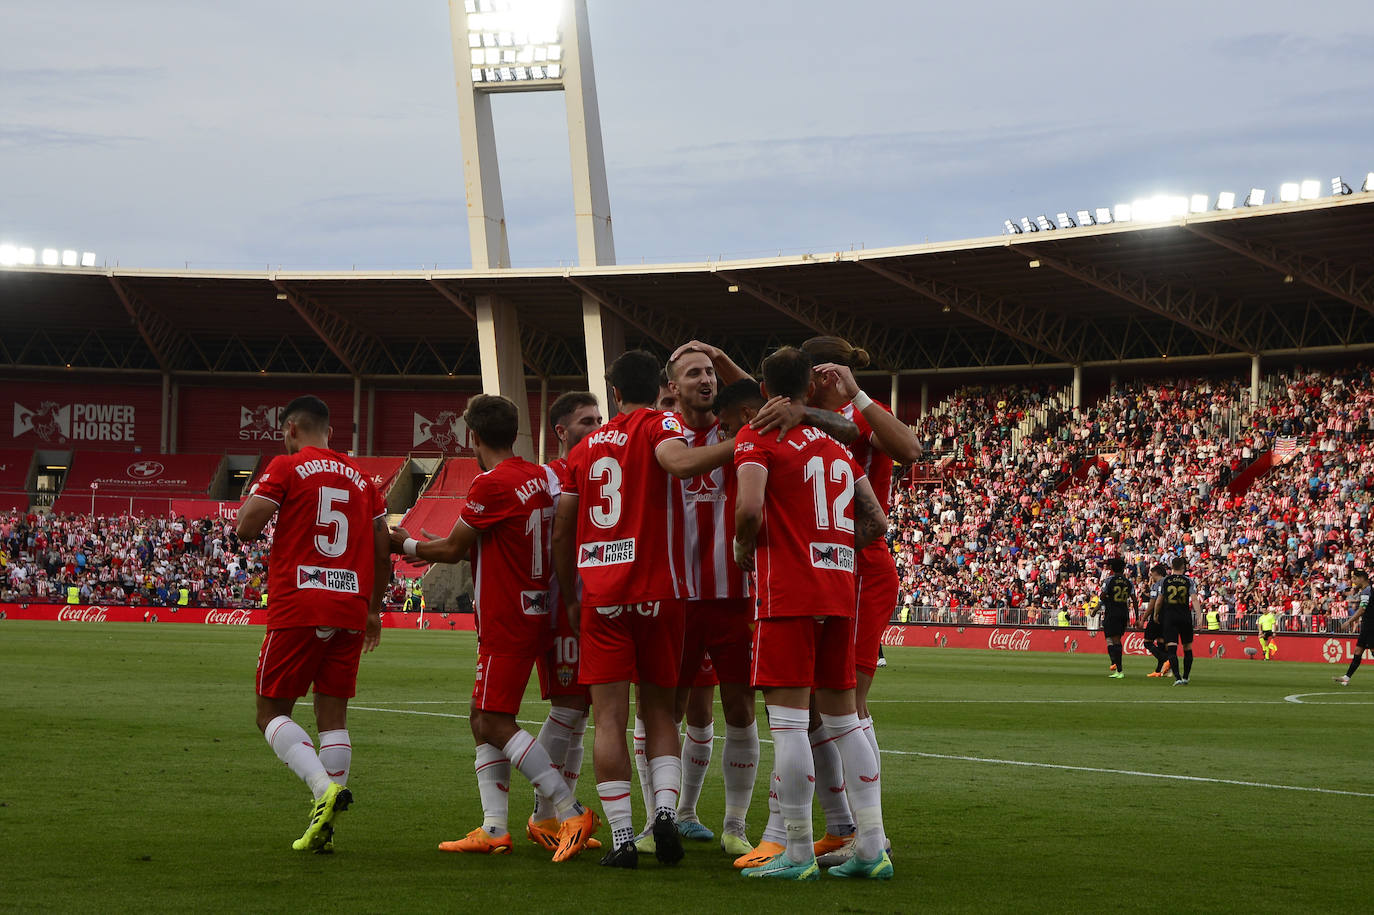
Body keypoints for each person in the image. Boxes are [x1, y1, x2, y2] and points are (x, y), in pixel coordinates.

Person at [392, 394, 597, 862]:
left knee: (492, 720)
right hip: (545, 608)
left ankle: (569, 808)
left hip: (507, 617)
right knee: (480, 716)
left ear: (474, 438)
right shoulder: (547, 476)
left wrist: (401, 542)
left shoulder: (491, 484)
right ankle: (494, 827)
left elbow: (453, 549)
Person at [551, 349, 735, 869]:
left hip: (602, 596)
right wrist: (738, 445)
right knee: (659, 712)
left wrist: (570, 594)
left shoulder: (585, 449)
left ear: (612, 394)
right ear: (659, 386)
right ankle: (666, 817)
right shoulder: (661, 422)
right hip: (659, 592)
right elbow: (677, 463)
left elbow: (564, 527)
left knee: (607, 720)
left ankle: (624, 839)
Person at [732, 345, 892, 881]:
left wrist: (742, 549)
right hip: (839, 590)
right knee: (846, 722)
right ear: (807, 389)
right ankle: (872, 848)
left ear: (764, 391)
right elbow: (874, 522)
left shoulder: (758, 439)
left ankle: (797, 851)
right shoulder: (836, 448)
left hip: (788, 596)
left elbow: (750, 509)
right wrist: (830, 550)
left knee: (791, 727)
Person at [235, 395, 389, 853]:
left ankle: (324, 789)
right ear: (331, 432)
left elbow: (245, 526)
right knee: (333, 719)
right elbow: (382, 550)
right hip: (350, 607)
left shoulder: (287, 465)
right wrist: (374, 607)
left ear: (289, 430)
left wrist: (263, 494)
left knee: (270, 713)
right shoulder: (364, 479)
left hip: (300, 605)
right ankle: (327, 828)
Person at [527, 391, 603, 853]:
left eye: (598, 419)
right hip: (564, 606)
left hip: (594, 602)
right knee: (569, 707)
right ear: (560, 432)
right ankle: (545, 815)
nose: (594, 427)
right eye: (584, 422)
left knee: (581, 713)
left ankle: (555, 815)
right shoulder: (549, 479)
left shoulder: (595, 470)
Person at [1151, 556, 1202, 685]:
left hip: (1170, 617)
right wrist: (1199, 616)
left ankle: (1177, 677)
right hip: (1185, 616)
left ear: (1171, 567)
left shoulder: (1165, 581)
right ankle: (1186, 676)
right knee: (1187, 647)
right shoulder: (1189, 581)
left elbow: (1159, 600)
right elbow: (1194, 599)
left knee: (1172, 648)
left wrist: (1156, 614)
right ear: (1184, 567)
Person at [1099, 558, 1136, 678]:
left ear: (1112, 568)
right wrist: (1136, 615)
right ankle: (1115, 663)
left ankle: (1119, 670)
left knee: (1114, 640)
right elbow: (1134, 600)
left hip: (1112, 612)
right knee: (1114, 638)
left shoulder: (1109, 580)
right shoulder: (1128, 582)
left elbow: (1102, 596)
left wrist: (1105, 600)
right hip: (1123, 612)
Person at [1335, 568, 1373, 686]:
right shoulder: (1366, 589)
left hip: (1371, 625)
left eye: (1355, 578)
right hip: (1367, 624)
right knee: (1358, 651)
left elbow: (1362, 609)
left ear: (1361, 578)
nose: (1353, 581)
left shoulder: (1367, 591)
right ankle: (1347, 677)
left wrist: (1348, 622)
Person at [1143, 564, 1171, 678]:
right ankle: (1159, 671)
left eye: (1152, 574)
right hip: (1169, 616)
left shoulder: (1156, 585)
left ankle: (1167, 660)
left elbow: (1153, 603)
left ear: (1156, 574)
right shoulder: (1170, 582)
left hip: (1158, 615)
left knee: (1147, 642)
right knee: (1161, 642)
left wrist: (1144, 618)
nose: (1151, 577)